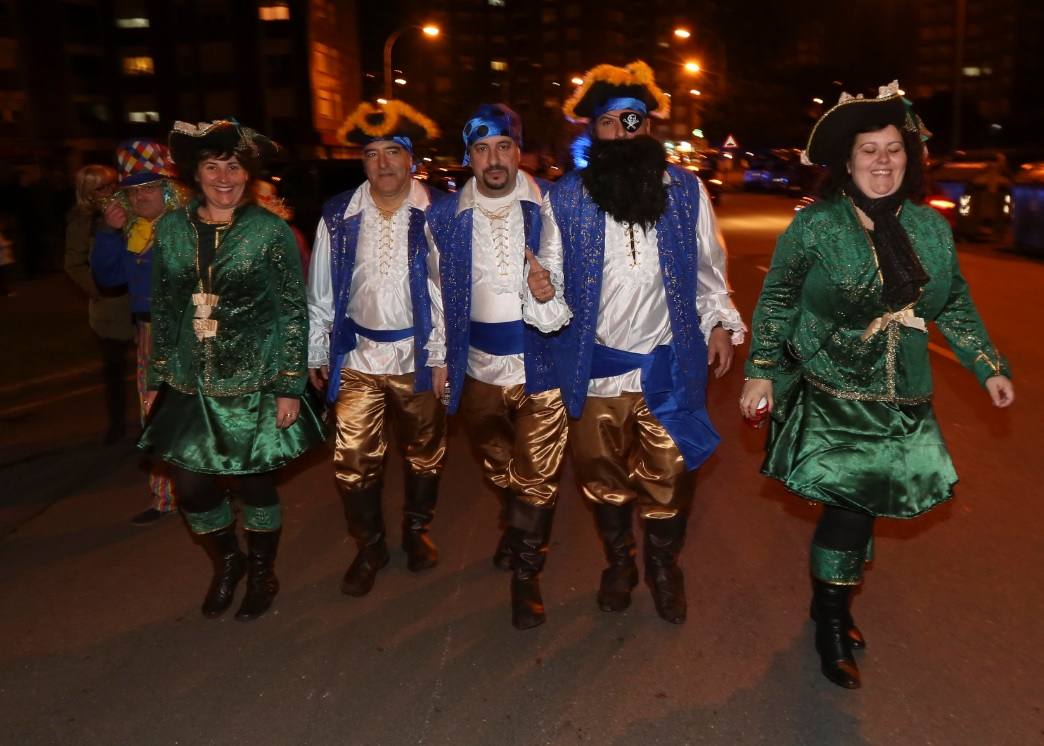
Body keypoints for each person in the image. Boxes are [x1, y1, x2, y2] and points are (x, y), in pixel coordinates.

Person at [739, 82, 1015, 689]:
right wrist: (760, 370)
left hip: (903, 394)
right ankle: (832, 625)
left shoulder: (930, 228)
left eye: (894, 149)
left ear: (909, 157)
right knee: (849, 508)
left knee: (866, 511)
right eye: (870, 149)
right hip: (830, 384)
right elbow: (779, 297)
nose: (883, 161)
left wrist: (988, 366)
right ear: (848, 159)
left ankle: (832, 601)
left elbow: (955, 303)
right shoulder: (817, 225)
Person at [534, 61, 747, 624]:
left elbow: (708, 269)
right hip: (596, 368)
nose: (623, 133)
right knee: (601, 478)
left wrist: (718, 323)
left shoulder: (686, 191)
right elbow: (549, 280)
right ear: (594, 132)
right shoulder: (567, 197)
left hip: (667, 363)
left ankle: (663, 567)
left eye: (632, 121)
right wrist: (541, 292)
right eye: (609, 123)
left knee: (671, 475)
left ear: (647, 127)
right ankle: (620, 563)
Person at [139, 119, 325, 621]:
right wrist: (156, 379)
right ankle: (228, 561)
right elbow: (165, 307)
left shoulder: (270, 231)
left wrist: (290, 385)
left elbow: (292, 312)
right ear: (195, 174)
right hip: (189, 378)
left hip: (255, 378)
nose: (224, 177)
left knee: (254, 484)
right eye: (212, 166)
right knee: (191, 486)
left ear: (248, 174)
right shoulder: (171, 230)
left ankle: (263, 571)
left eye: (234, 167)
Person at [426, 104, 571, 630]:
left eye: (503, 147)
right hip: (477, 367)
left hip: (541, 363)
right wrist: (440, 357)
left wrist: (550, 290)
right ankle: (516, 525)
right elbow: (437, 293)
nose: (493, 160)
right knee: (499, 466)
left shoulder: (552, 204)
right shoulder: (444, 215)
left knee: (536, 476)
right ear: (468, 157)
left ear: (519, 151)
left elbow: (580, 277)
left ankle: (526, 576)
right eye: (482, 149)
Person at [307, 101, 447, 598]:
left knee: (425, 452)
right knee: (351, 457)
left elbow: (448, 292)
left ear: (411, 160)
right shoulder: (338, 214)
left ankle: (416, 530)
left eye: (393, 152)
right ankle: (369, 547)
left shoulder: (438, 211)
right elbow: (321, 288)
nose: (383, 163)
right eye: (372, 153)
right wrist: (317, 349)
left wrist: (442, 355)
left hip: (418, 357)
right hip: (358, 356)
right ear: (362, 161)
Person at [89, 142, 183, 523]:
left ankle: (216, 490)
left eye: (150, 188)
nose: (141, 197)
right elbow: (108, 277)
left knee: (202, 413)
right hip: (148, 332)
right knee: (153, 413)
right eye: (133, 191)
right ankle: (165, 496)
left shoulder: (188, 226)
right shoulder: (131, 232)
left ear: (168, 189)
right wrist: (109, 233)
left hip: (189, 332)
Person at [64, 165, 134, 444]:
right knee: (114, 370)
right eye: (102, 187)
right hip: (110, 305)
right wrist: (97, 290)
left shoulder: (129, 208)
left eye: (114, 184)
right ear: (87, 192)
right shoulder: (83, 222)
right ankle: (116, 424)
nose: (111, 191)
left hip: (138, 299)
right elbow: (74, 263)